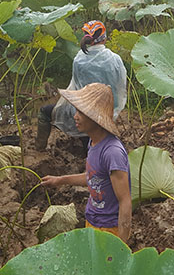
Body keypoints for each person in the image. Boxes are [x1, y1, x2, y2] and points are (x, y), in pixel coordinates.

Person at [41, 83, 131, 243]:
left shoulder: (112, 152)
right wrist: (60, 181)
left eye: (81, 112)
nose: (75, 116)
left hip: (109, 229)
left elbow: (125, 201)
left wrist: (122, 245)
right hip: (92, 220)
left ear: (95, 117)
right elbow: (93, 177)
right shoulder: (93, 142)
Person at [35, 20, 127, 151]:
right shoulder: (115, 59)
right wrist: (114, 111)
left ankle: (39, 149)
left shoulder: (79, 59)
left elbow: (77, 89)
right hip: (107, 114)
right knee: (93, 146)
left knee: (45, 113)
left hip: (83, 112)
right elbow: (120, 88)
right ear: (104, 38)